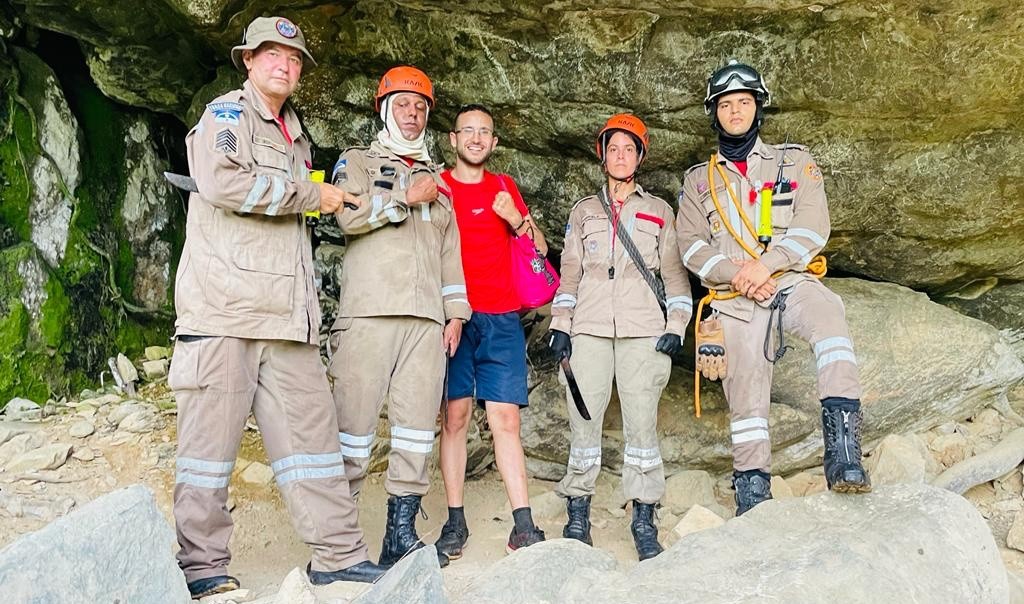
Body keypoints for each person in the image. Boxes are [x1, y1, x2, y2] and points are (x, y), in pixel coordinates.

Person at [168, 16, 385, 599]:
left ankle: (338, 557)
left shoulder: (297, 134)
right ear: (249, 61)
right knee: (208, 455)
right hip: (224, 314)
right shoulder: (227, 118)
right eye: (273, 56)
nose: (285, 66)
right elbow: (223, 186)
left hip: (288, 321)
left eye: (293, 60)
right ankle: (203, 567)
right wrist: (317, 195)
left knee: (315, 448)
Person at [676, 59, 871, 516]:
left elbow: (811, 227)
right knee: (744, 382)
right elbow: (689, 248)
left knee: (829, 317)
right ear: (715, 113)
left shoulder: (794, 161)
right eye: (726, 104)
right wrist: (736, 274)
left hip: (789, 282)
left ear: (757, 109)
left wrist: (765, 266)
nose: (736, 111)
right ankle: (752, 489)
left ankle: (844, 456)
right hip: (733, 297)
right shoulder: (697, 180)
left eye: (744, 102)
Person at [328, 65, 471, 568]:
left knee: (414, 431)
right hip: (369, 314)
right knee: (353, 430)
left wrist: (455, 314)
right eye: (403, 105)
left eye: (421, 108)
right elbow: (346, 216)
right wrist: (405, 197)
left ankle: (399, 537)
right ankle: (339, 548)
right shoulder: (358, 162)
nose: (412, 115)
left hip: (426, 322)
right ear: (385, 109)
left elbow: (450, 255)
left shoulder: (440, 183)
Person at [547, 114, 692, 561]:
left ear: (640, 156)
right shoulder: (584, 211)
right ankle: (578, 512)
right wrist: (560, 325)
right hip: (588, 328)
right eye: (614, 148)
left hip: (643, 330)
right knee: (583, 422)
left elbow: (675, 277)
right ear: (602, 154)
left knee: (642, 427)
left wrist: (676, 327)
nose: (621, 156)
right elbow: (569, 274)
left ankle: (644, 517)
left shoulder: (659, 211)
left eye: (630, 149)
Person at [434, 104, 549, 558]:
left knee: (506, 420)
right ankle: (455, 521)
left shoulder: (504, 187)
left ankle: (523, 524)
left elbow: (538, 247)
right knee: (456, 418)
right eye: (469, 131)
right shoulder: (438, 186)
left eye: (485, 132)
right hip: (454, 317)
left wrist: (515, 218)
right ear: (453, 138)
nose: (477, 138)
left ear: (495, 142)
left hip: (501, 318)